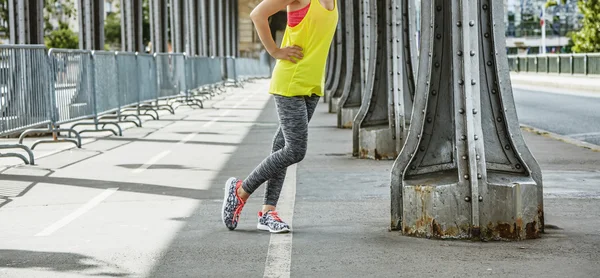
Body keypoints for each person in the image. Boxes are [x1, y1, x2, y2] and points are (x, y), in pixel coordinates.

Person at [221, 0, 338, 233]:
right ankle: (241, 190)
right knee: (295, 150)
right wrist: (275, 51)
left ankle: (267, 213)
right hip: (290, 82)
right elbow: (257, 14)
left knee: (282, 145)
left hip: (312, 85)